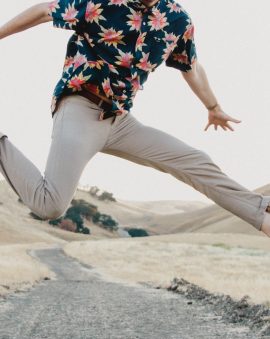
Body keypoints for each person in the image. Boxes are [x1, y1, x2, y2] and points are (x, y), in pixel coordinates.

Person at [1, 0, 270, 237]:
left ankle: (261, 212)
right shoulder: (103, 3)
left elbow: (191, 65)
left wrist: (213, 106)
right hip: (80, 109)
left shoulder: (176, 19)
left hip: (120, 121)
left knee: (194, 160)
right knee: (50, 206)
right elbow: (42, 11)